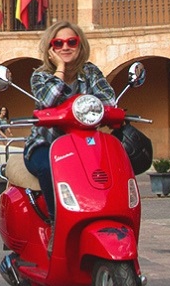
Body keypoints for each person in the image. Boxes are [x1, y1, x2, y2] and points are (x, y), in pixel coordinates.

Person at [24, 20, 117, 203]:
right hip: (46, 144)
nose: (65, 47)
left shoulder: (90, 72)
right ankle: (55, 222)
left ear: (80, 45)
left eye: (71, 42)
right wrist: (60, 69)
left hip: (85, 145)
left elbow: (108, 100)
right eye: (58, 43)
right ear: (50, 48)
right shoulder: (41, 76)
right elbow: (46, 102)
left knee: (113, 165)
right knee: (48, 167)